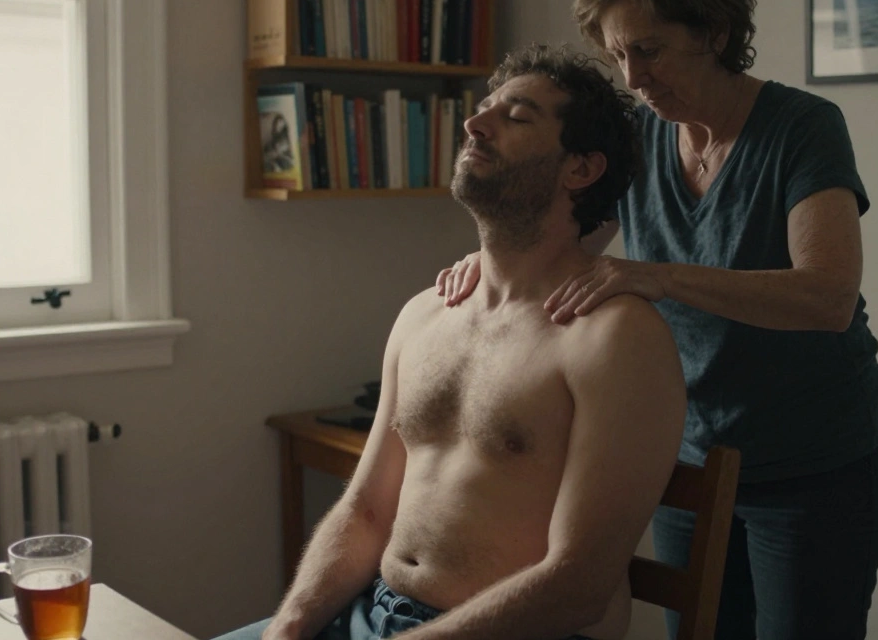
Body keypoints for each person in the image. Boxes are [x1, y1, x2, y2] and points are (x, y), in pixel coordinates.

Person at [435, 0, 878, 640]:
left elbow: (827, 296)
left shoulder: (803, 129)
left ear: (714, 32)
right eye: (618, 56)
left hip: (813, 468)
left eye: (648, 50)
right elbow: (563, 246)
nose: (633, 77)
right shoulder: (644, 137)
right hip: (688, 459)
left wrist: (656, 277)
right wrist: (492, 265)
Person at [214, 44, 688, 640]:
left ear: (581, 169)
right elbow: (364, 511)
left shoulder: (615, 338)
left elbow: (578, 585)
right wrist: (289, 626)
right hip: (374, 613)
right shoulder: (424, 315)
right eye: (484, 108)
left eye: (516, 118)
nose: (474, 123)